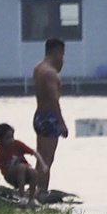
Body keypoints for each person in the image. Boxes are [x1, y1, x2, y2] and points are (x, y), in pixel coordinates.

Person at [32, 37, 68, 196]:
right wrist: (61, 123)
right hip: (49, 117)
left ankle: (35, 189)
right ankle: (42, 192)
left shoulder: (39, 67)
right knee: (47, 159)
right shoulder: (50, 73)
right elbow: (54, 100)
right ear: (58, 52)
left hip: (39, 114)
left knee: (40, 157)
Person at [0, 123, 46, 202]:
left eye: (12, 137)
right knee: (22, 167)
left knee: (33, 172)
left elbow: (34, 152)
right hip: (10, 176)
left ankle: (31, 199)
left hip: (24, 172)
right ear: (0, 141)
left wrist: (43, 164)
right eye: (7, 138)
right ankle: (22, 196)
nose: (11, 140)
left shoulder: (17, 144)